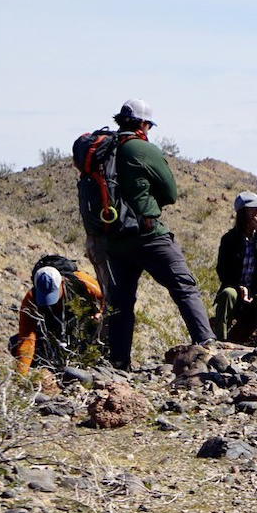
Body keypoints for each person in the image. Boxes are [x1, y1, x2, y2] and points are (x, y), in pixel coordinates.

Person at [97, 99, 216, 368]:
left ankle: (118, 363)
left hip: (114, 239)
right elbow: (171, 193)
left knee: (121, 304)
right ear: (142, 123)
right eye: (148, 124)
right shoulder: (143, 148)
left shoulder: (105, 149)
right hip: (148, 235)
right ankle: (208, 344)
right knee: (184, 286)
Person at [11, 254, 106, 375]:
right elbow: (27, 339)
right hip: (55, 334)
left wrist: (100, 314)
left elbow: (107, 300)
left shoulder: (81, 282)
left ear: (62, 282)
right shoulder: (31, 300)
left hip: (85, 329)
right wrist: (21, 375)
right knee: (14, 344)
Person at [213, 193, 257, 344]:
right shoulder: (229, 239)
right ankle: (221, 340)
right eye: (253, 209)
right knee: (227, 294)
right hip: (236, 289)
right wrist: (238, 287)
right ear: (243, 214)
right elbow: (222, 270)